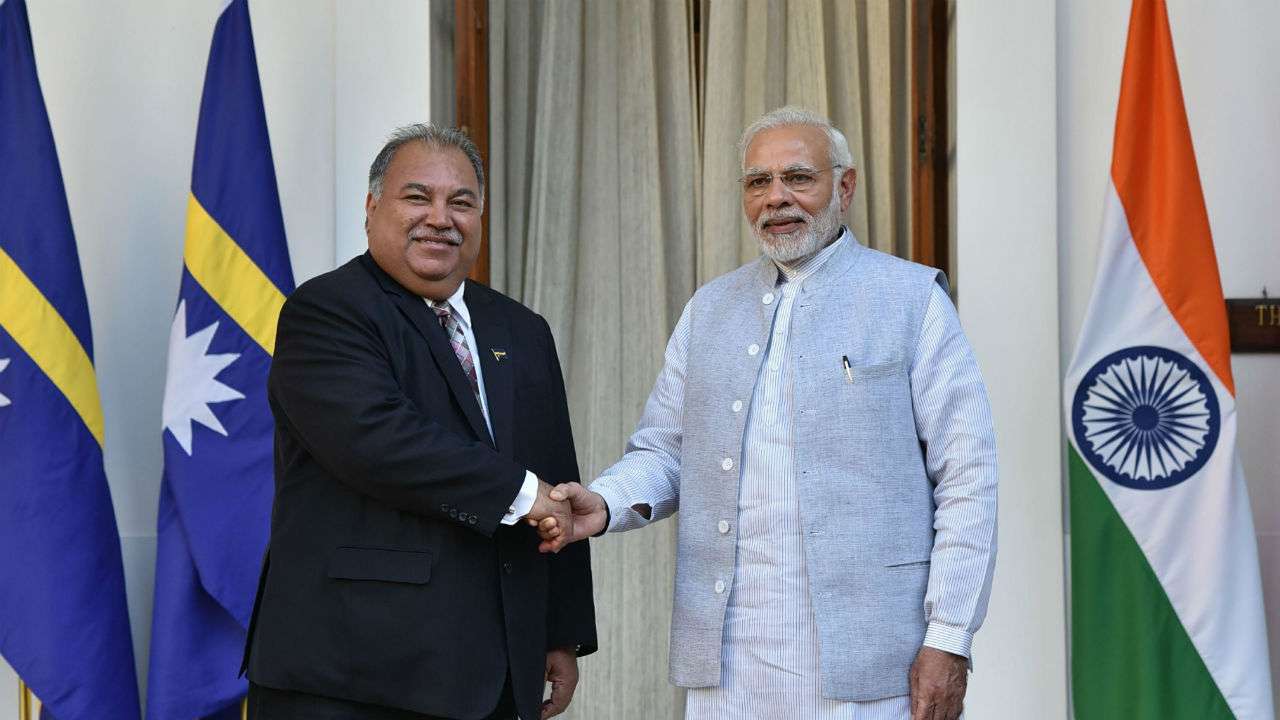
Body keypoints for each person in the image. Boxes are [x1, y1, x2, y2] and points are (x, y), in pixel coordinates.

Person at [538, 107, 997, 720]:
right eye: (758, 182)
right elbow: (667, 449)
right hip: (732, 659)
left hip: (871, 660)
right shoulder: (710, 309)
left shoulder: (912, 301)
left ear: (845, 187)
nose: (776, 198)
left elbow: (967, 476)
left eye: (798, 178)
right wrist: (606, 502)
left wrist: (949, 637)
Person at [242, 124, 596, 720]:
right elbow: (376, 440)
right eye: (417, 197)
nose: (441, 217)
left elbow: (555, 475)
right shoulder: (326, 310)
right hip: (350, 677)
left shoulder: (521, 329)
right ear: (372, 208)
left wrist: (560, 629)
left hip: (494, 672)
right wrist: (521, 492)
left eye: (461, 202)